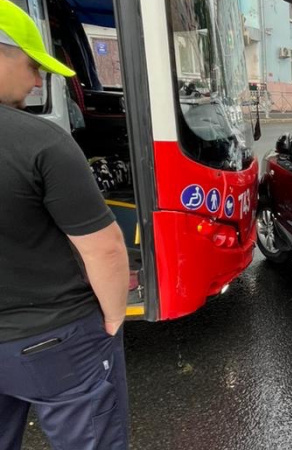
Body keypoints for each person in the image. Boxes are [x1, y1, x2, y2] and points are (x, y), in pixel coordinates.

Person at [0, 1, 130, 449]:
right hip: (55, 340)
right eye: (34, 65)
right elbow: (106, 249)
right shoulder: (40, 141)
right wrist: (113, 317)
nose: (38, 81)